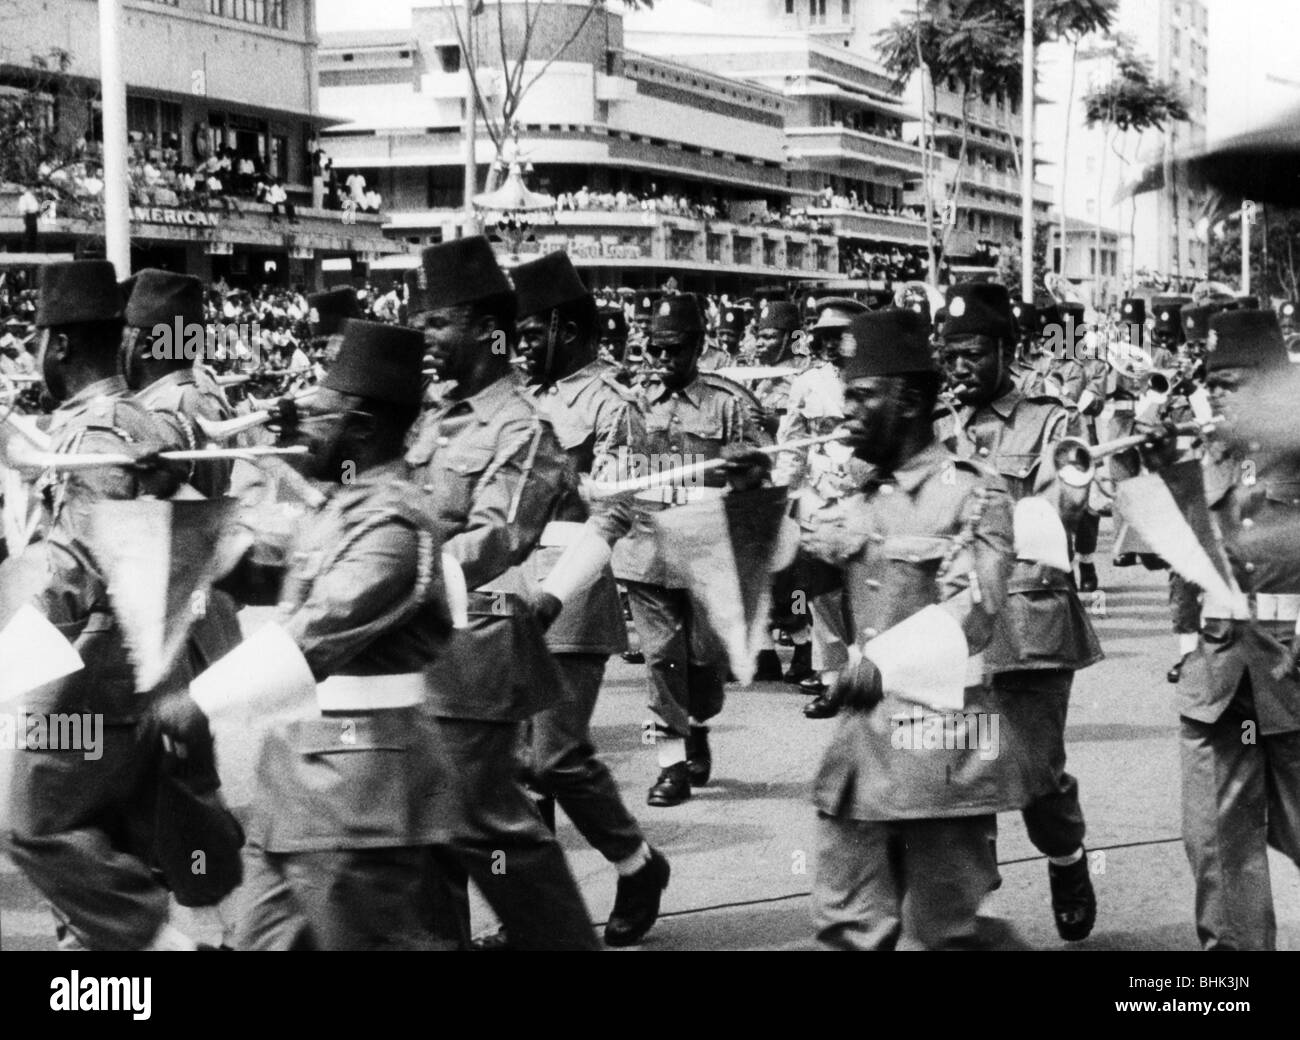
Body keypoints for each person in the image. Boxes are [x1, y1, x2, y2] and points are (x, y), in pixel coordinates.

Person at [795, 307, 1020, 949]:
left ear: (913, 400)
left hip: (942, 754)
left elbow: (973, 611)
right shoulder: (859, 494)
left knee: (947, 935)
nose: (849, 412)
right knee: (846, 928)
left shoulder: (974, 493)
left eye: (865, 396)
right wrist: (754, 511)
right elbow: (805, 569)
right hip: (861, 753)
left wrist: (881, 664)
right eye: (848, 396)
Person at [404, 236, 599, 950]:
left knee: (494, 838)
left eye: (438, 322)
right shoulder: (435, 415)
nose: (425, 336)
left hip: (475, 662)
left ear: (487, 332)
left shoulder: (522, 426)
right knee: (429, 848)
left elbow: (500, 538)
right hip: (421, 655)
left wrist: (399, 573)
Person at [7, 260, 198, 951]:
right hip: (124, 668)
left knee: (35, 825)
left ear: (58, 344)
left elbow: (82, 565)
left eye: (35, 341)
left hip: (88, 673)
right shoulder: (128, 420)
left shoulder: (100, 436)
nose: (31, 356)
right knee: (104, 849)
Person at [508, 251, 670, 946]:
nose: (517, 347)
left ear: (568, 330)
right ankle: (534, 918)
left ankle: (637, 864)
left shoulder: (615, 404)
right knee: (516, 769)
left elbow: (617, 513)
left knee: (554, 756)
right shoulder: (521, 398)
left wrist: (556, 588)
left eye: (529, 334)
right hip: (510, 586)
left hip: (569, 595)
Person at [941, 282, 1103, 942]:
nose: (958, 367)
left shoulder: (1052, 424)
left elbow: (1064, 512)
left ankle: (1066, 859)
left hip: (1026, 625)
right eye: (948, 355)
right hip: (950, 633)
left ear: (1007, 350)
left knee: (1036, 781)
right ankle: (966, 909)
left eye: (973, 354)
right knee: (957, 778)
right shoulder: (929, 427)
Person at [1149, 308, 1300, 950]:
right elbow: (1181, 556)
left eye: (1232, 382)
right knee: (1219, 849)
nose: (1215, 395)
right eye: (1211, 382)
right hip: (1217, 678)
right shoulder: (1203, 457)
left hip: (1293, 670)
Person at [610, 294, 768, 807]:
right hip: (647, 553)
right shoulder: (632, 403)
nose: (663, 361)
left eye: (675, 350)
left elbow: (759, 476)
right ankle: (671, 766)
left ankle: (698, 723)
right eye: (655, 350)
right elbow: (612, 467)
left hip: (706, 558)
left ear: (699, 346)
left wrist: (745, 468)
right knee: (662, 660)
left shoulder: (729, 405)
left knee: (703, 663)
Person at [18, 188, 40, 252]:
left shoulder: (32, 197)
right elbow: (23, 208)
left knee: (32, 232)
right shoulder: (24, 197)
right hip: (29, 215)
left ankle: (31, 248)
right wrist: (24, 217)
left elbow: (35, 207)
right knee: (30, 232)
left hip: (32, 215)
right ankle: (28, 248)